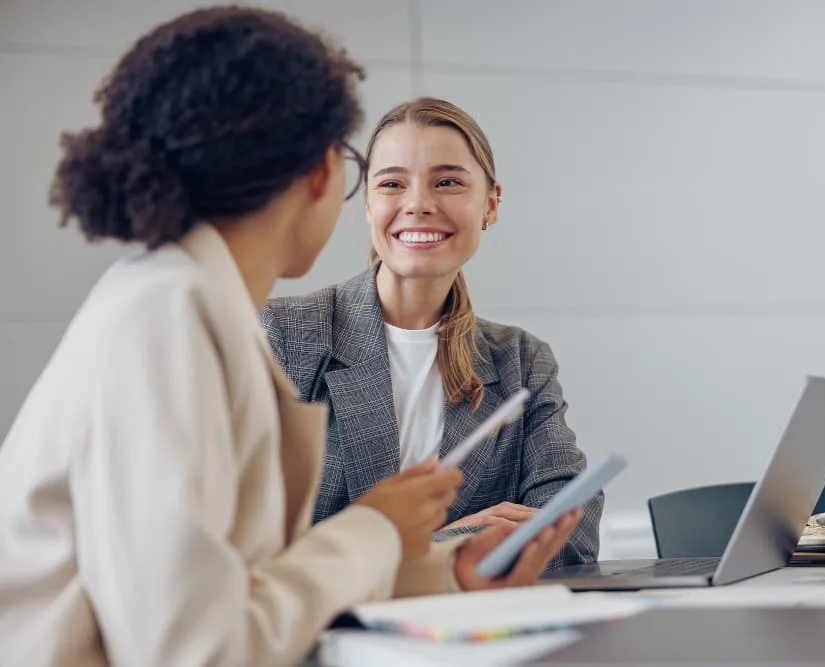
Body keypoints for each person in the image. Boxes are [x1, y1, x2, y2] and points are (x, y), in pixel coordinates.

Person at [0, 9, 581, 667]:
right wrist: (378, 526)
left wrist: (447, 572)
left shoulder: (184, 302)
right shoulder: (171, 316)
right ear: (317, 173)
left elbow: (242, 587)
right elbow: (198, 648)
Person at [260, 97, 602, 568]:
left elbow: (572, 535)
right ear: (369, 204)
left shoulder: (520, 359)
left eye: (447, 182)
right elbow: (254, 546)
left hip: (472, 634)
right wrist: (451, 541)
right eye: (392, 184)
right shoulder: (283, 336)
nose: (419, 203)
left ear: (491, 203)